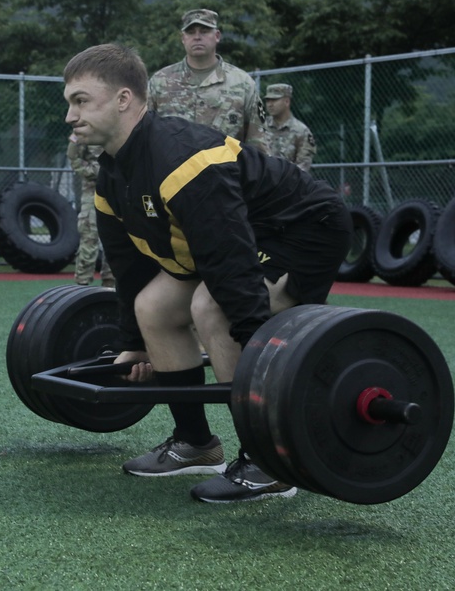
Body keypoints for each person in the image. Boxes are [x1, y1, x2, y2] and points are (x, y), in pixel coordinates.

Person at [62, 43, 352, 503]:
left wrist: (260, 350)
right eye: (69, 103)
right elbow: (130, 267)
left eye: (81, 101)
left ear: (123, 100)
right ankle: (195, 444)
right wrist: (132, 345)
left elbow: (230, 266)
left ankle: (268, 461)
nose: (70, 116)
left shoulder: (183, 161)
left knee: (212, 307)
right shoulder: (113, 177)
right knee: (152, 307)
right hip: (240, 236)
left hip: (302, 229)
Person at [147, 9, 266, 151]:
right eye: (191, 32)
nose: (197, 37)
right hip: (175, 172)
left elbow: (257, 144)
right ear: (183, 38)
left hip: (227, 171)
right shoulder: (160, 82)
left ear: (217, 36)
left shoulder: (242, 83)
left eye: (204, 31)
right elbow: (146, 135)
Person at [67, 140, 114, 288]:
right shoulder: (87, 130)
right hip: (92, 192)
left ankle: (111, 283)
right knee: (89, 236)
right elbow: (74, 158)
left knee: (115, 238)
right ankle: (82, 284)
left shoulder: (121, 128)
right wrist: (96, 171)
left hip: (116, 191)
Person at [263, 83, 317, 172]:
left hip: (288, 183)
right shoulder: (259, 127)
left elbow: (303, 167)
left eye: (274, 100)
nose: (270, 104)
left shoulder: (301, 131)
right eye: (268, 100)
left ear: (287, 102)